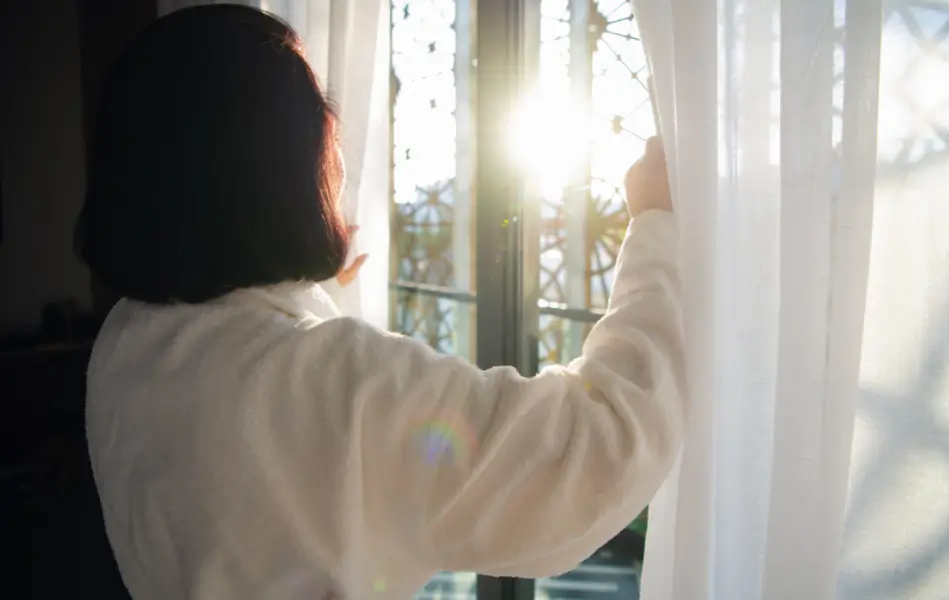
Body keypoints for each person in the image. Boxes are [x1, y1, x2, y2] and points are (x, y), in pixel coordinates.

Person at [78, 5, 685, 599]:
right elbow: (597, 450)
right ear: (280, 164)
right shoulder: (341, 387)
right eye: (321, 115)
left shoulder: (125, 342)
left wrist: (304, 291)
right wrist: (655, 226)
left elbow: (266, 467)